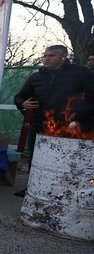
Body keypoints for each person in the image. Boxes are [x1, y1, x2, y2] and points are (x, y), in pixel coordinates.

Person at [13, 44, 94, 197]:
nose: (46, 59)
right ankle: (32, 187)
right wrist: (22, 103)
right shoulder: (37, 77)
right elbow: (19, 96)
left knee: (65, 160)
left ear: (63, 57)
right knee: (35, 157)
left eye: (51, 56)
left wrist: (80, 115)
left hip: (68, 125)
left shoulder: (80, 73)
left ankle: (63, 192)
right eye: (45, 56)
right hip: (39, 124)